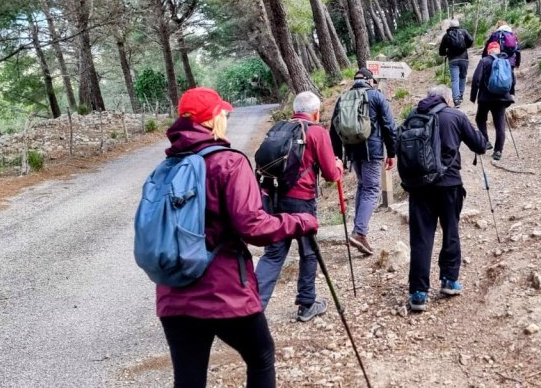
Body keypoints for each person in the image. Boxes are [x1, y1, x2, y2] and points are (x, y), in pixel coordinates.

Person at [156, 87, 319, 387]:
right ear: (212, 119)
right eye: (223, 113)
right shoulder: (227, 162)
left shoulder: (166, 166)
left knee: (189, 379)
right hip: (222, 290)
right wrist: (300, 221)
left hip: (173, 292)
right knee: (261, 356)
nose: (226, 118)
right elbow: (254, 228)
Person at [255, 91, 343, 322]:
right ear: (316, 112)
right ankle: (306, 304)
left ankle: (251, 311)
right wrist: (339, 166)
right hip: (302, 203)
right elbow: (330, 174)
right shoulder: (316, 131)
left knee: (273, 255)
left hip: (274, 199)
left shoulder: (279, 128)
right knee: (308, 252)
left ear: (294, 109)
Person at [405, 85, 488, 311]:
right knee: (451, 230)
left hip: (419, 186)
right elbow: (479, 146)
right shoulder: (455, 116)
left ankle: (419, 292)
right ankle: (449, 280)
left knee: (421, 238)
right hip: (449, 184)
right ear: (447, 99)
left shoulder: (413, 116)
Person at [330, 68, 398, 256]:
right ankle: (360, 232)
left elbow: (333, 130)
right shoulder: (376, 96)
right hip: (372, 150)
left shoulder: (343, 98)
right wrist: (392, 152)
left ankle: (357, 230)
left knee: (363, 186)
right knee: (371, 189)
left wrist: (337, 157)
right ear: (370, 81)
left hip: (352, 151)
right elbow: (389, 126)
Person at [470, 42, 516, 161]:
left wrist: (473, 97)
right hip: (502, 98)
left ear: (489, 50)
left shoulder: (484, 61)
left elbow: (476, 79)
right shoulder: (506, 61)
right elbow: (512, 79)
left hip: (485, 98)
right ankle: (498, 151)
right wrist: (511, 94)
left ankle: (485, 141)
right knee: (500, 124)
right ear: (498, 50)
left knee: (480, 119)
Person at [438, 19, 474, 106]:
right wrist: (465, 46)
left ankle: (456, 99)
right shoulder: (464, 32)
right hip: (464, 59)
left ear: (450, 26)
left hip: (453, 60)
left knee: (455, 80)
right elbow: (471, 40)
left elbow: (441, 50)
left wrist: (445, 53)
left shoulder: (446, 36)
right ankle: (460, 95)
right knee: (462, 77)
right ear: (458, 25)